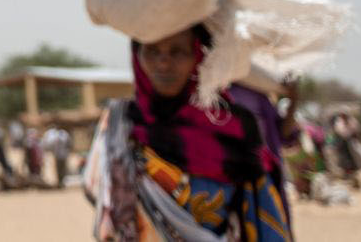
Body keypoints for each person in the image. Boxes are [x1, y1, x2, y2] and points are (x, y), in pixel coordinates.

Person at [84, 26, 293, 239]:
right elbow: (104, 205)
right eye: (152, 51)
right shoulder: (119, 123)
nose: (163, 62)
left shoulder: (235, 129)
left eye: (178, 51)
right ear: (137, 55)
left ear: (199, 56)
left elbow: (262, 220)